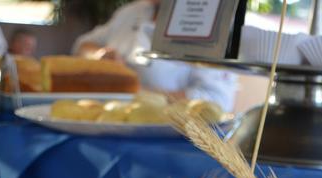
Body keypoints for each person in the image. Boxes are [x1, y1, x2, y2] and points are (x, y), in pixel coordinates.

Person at [73, 0, 237, 112]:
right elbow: (81, 46)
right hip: (111, 126)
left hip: (172, 145)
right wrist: (99, 56)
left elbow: (217, 100)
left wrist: (137, 93)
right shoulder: (131, 12)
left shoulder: (206, 18)